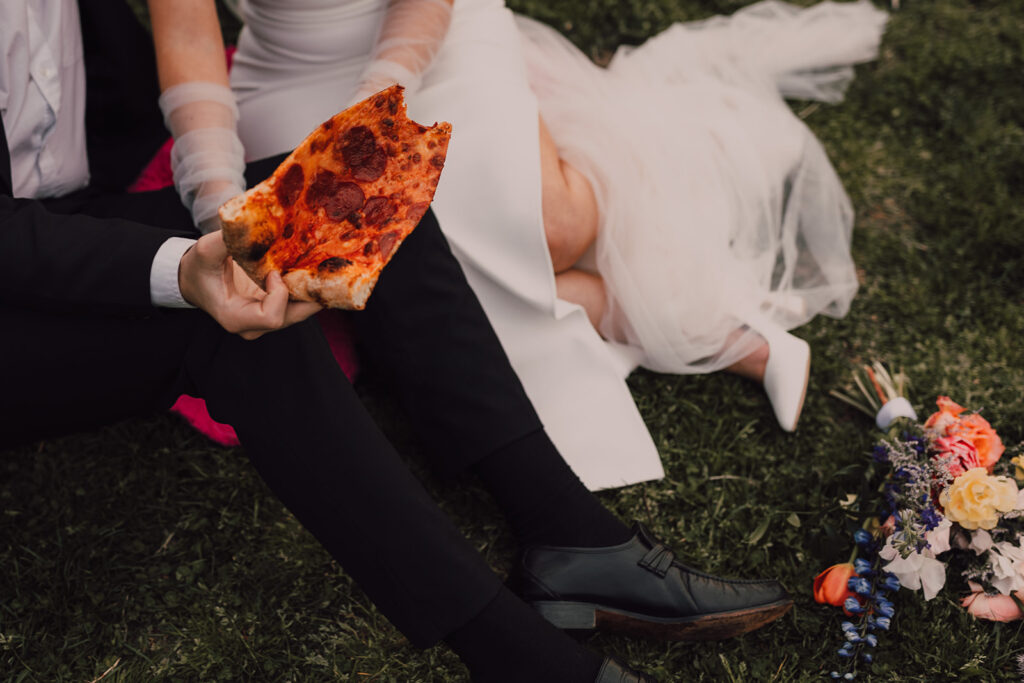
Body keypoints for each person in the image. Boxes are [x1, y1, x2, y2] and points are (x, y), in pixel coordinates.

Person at [0, 1, 793, 681]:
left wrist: (230, 225)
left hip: (65, 221)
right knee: (234, 331)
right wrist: (187, 263)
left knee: (349, 193)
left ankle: (570, 536)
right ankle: (517, 656)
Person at [225, 0, 888, 466]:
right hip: (288, 77)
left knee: (555, 230)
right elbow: (190, 48)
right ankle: (703, 325)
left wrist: (370, 119)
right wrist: (212, 212)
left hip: (431, 32)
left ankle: (601, 175)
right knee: (420, 299)